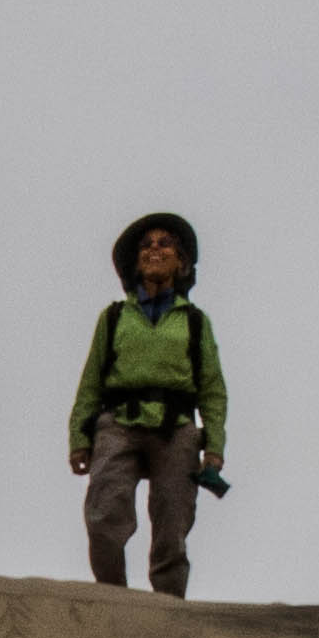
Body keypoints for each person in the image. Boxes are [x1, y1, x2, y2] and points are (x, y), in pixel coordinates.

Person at [64, 212, 229, 596]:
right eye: (146, 245)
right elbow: (91, 381)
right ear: (135, 262)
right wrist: (79, 437)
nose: (155, 249)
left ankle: (167, 609)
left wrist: (214, 448)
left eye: (165, 243)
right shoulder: (114, 317)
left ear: (181, 261)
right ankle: (113, 598)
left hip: (176, 428)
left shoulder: (194, 321)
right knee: (104, 515)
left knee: (173, 523)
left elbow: (212, 389)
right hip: (118, 424)